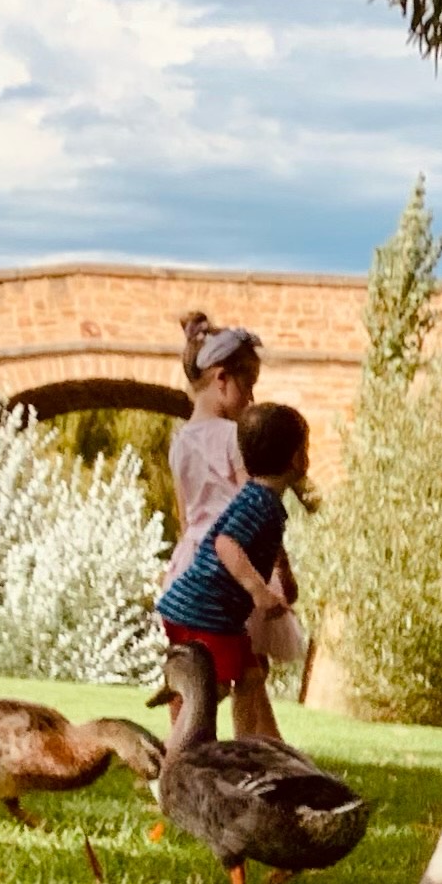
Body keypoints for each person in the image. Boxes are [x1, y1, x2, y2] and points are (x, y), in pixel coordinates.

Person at [165, 316, 298, 740]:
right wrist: (279, 569)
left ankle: (198, 742)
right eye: (249, 384)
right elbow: (252, 504)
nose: (252, 397)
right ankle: (253, 747)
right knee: (247, 667)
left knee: (210, 667)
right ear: (222, 379)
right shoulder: (232, 437)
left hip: (192, 560)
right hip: (235, 563)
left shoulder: (181, 440)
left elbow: (186, 519)